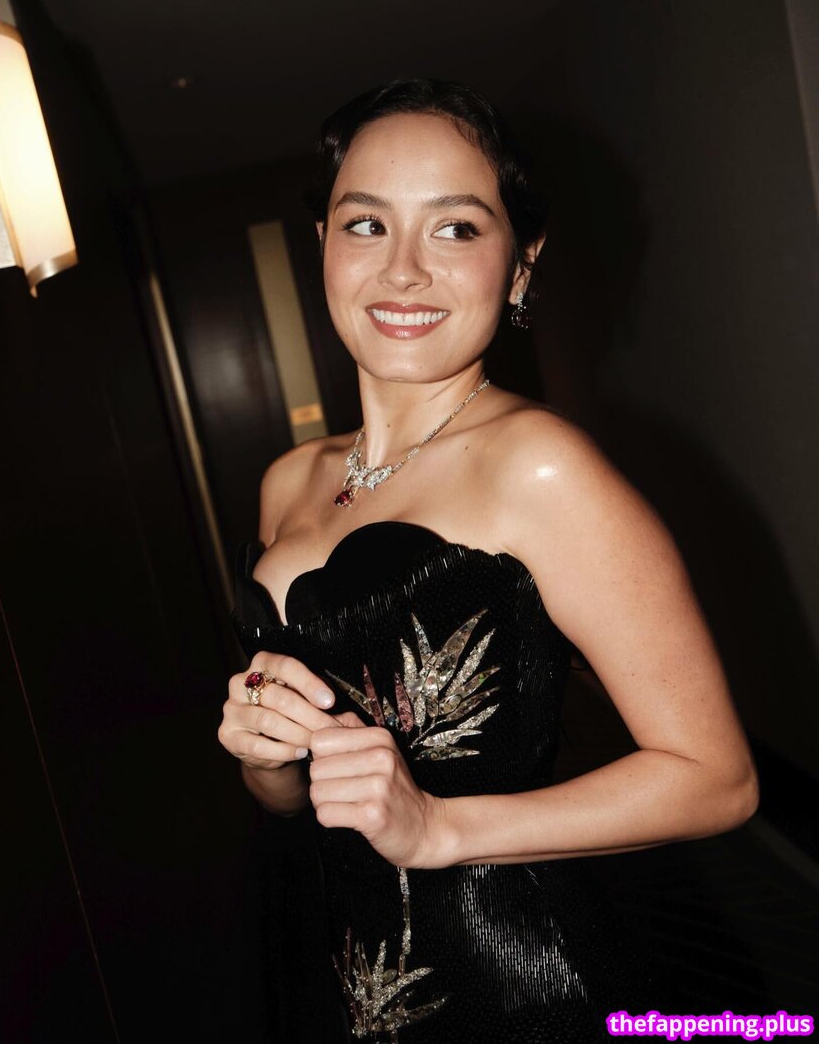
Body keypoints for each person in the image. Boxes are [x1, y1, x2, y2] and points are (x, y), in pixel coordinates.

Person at [218, 78, 759, 1042]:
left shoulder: (540, 466)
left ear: (519, 265)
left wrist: (439, 830)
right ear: (324, 245)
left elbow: (716, 779)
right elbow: (296, 795)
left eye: (456, 228)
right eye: (367, 224)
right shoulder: (287, 481)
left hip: (513, 982)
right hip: (331, 964)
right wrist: (264, 756)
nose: (403, 270)